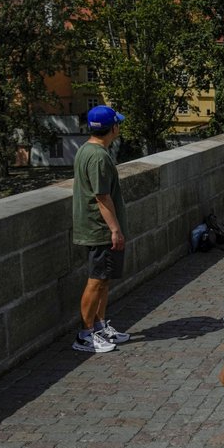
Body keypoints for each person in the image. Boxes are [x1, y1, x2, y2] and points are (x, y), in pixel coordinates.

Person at [71, 105, 130, 353]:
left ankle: (99, 326)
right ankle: (85, 334)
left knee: (104, 280)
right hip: (99, 228)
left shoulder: (86, 149)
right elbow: (102, 197)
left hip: (97, 226)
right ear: (113, 128)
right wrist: (115, 229)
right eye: (118, 123)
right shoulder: (98, 157)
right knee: (96, 281)